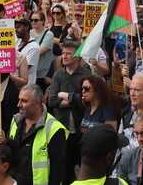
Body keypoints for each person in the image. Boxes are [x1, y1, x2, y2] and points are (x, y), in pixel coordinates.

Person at [0, 84, 67, 185]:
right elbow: (8, 154)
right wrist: (1, 143)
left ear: (37, 103)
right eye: (19, 100)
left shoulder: (54, 129)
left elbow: (57, 170)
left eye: (24, 101)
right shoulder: (15, 121)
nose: (18, 104)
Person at [48, 40, 90, 184]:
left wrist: (64, 95)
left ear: (77, 56)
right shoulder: (58, 75)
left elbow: (86, 99)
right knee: (65, 170)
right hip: (63, 129)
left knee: (85, 169)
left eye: (68, 54)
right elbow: (52, 100)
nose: (64, 56)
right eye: (63, 53)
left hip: (82, 129)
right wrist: (76, 99)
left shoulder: (86, 74)